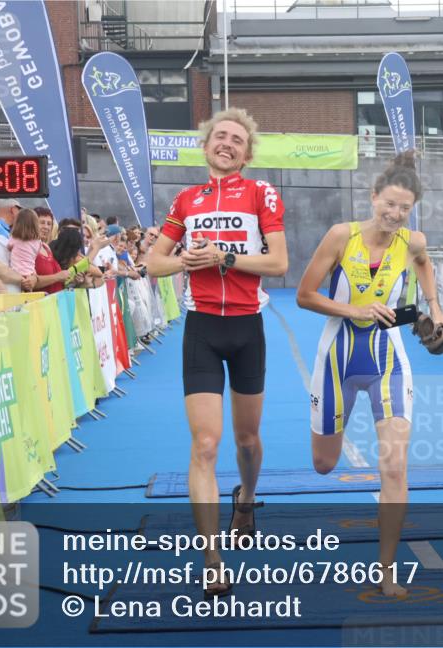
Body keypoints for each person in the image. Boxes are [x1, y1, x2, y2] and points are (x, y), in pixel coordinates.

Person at [145, 107, 288, 597]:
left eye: (236, 139)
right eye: (219, 136)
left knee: (247, 439)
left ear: (246, 154)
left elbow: (279, 262)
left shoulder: (261, 193)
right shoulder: (186, 200)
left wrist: (225, 256)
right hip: (202, 328)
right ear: (206, 146)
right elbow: (153, 264)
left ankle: (246, 498)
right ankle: (212, 559)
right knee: (205, 445)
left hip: (247, 327)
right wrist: (185, 259)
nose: (226, 143)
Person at [296, 150, 443, 597]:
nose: (395, 213)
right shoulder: (340, 236)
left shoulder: (412, 241)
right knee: (324, 464)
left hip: (388, 360)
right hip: (337, 359)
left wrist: (436, 308)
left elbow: (424, 263)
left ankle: (386, 571)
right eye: (389, 204)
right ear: (373, 196)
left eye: (404, 207)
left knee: (395, 467)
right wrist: (357, 310)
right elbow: (305, 295)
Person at [7, 208, 42, 279]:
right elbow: (35, 254)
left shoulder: (14, 238)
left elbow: (8, 247)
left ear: (17, 223)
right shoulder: (38, 242)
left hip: (16, 272)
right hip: (31, 273)